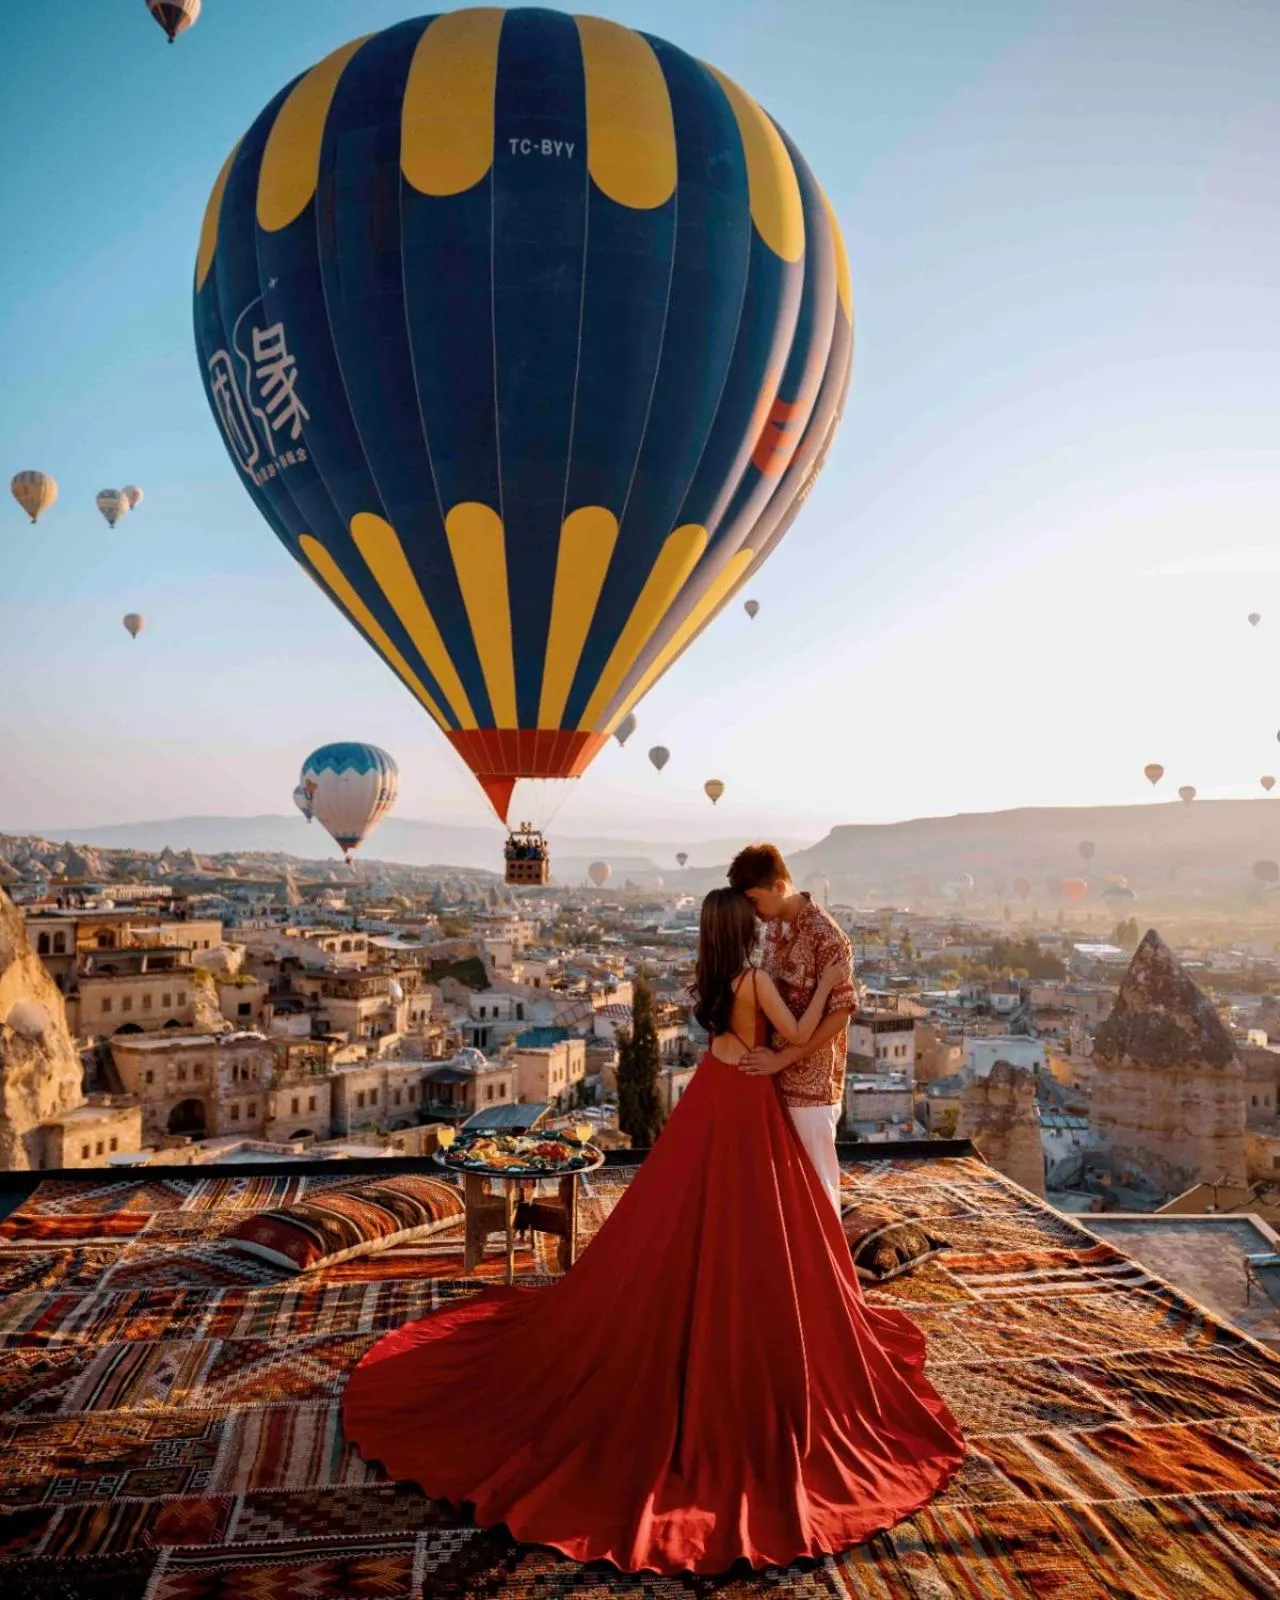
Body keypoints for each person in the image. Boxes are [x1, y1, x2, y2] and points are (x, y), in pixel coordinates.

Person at [342, 887, 965, 1576]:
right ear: (741, 929)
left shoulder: (715, 980)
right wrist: (833, 996)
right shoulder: (757, 978)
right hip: (745, 1104)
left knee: (681, 1214)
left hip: (712, 1094)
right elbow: (792, 1036)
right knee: (754, 1223)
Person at [730, 843, 855, 1217]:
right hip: (771, 1078)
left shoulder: (827, 937)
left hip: (812, 1086)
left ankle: (827, 1270)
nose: (753, 910)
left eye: (755, 899)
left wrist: (784, 1057)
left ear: (780, 886)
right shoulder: (772, 932)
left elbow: (840, 1015)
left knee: (817, 1182)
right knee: (779, 1185)